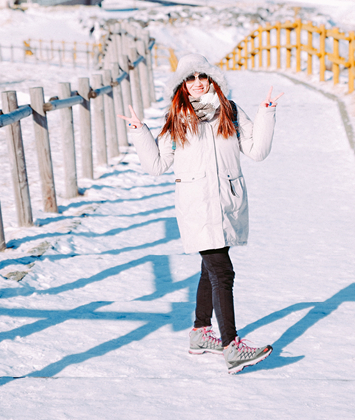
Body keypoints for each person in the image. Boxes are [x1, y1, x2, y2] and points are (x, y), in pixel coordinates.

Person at [118, 53, 283, 374]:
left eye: (202, 77)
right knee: (222, 272)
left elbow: (257, 151)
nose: (196, 84)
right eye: (189, 78)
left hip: (227, 202)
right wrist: (140, 131)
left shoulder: (231, 111)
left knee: (211, 269)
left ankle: (200, 333)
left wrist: (267, 113)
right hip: (196, 205)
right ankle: (232, 347)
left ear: (212, 80)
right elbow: (156, 165)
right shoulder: (176, 117)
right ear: (182, 84)